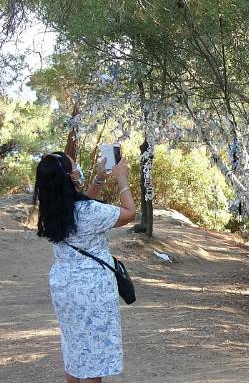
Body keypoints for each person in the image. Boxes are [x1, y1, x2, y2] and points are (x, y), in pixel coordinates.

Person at [33, 151, 136, 383]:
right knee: (92, 361)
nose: (78, 167)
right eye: (74, 165)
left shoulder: (53, 210)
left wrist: (99, 179)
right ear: (69, 177)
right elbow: (129, 213)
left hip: (65, 289)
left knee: (75, 351)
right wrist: (121, 177)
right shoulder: (89, 213)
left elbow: (81, 204)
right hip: (91, 292)